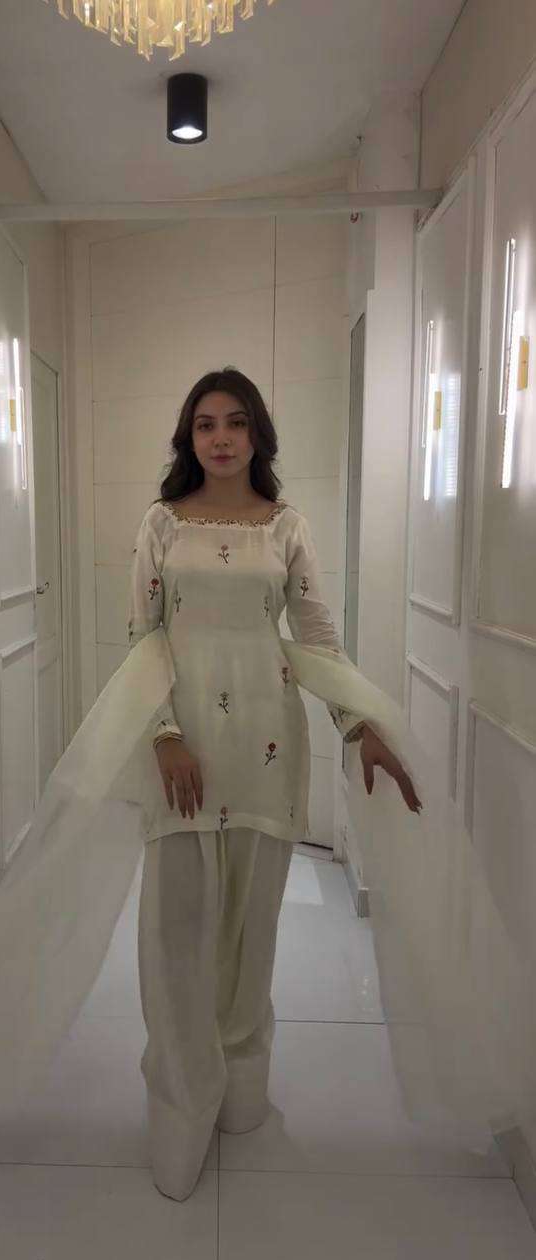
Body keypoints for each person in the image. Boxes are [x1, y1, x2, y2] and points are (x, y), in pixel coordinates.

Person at [127, 367, 421, 1200]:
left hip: (265, 748)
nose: (219, 437)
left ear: (256, 434)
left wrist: (358, 723)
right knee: (176, 938)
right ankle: (180, 1107)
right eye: (204, 424)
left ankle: (240, 1091)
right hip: (182, 754)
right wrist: (164, 736)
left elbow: (316, 633)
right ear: (188, 438)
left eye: (235, 422)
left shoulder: (285, 526)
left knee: (249, 934)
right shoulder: (161, 523)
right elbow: (142, 633)